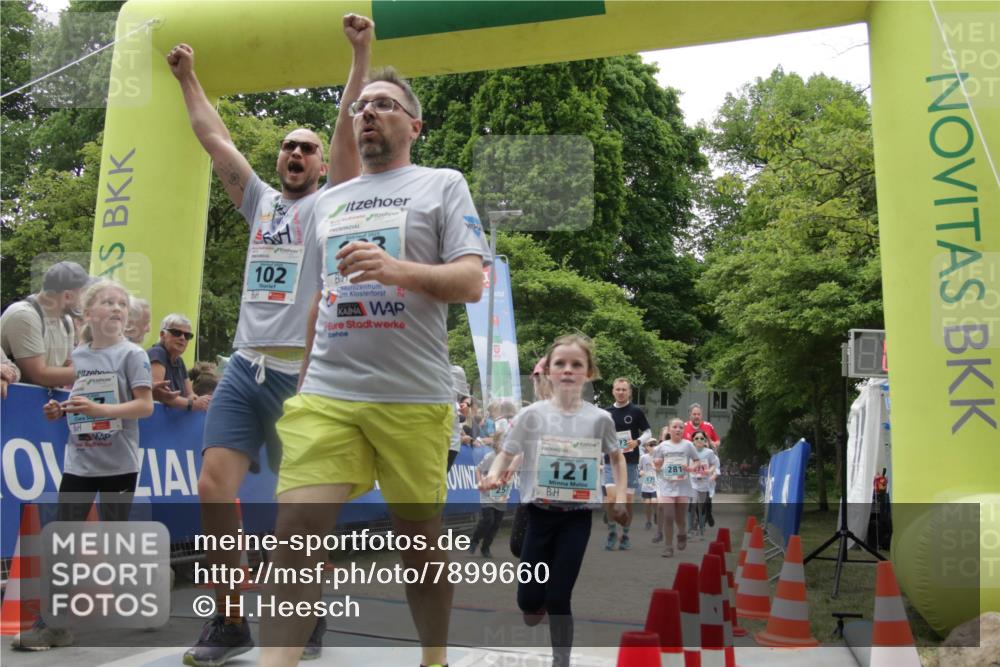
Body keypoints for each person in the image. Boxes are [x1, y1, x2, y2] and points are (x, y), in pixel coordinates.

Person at [262, 62, 489, 667]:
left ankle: (433, 657)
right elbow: (319, 301)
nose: (368, 112)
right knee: (297, 529)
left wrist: (395, 270)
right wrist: (304, 377)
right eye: (361, 105)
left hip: (412, 396)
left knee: (419, 544)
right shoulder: (328, 201)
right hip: (328, 393)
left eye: (384, 104)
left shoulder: (442, 184)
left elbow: (471, 280)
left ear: (414, 124)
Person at [166, 15, 372, 667]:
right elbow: (213, 137)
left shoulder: (331, 203)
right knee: (211, 487)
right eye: (289, 145)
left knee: (303, 513)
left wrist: (359, 55)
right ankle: (230, 621)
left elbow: (345, 127)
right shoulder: (259, 203)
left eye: (307, 148)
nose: (297, 153)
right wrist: (188, 76)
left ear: (321, 164)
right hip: (241, 372)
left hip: (301, 379)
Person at [12, 279, 153, 651]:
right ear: (88, 313)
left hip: (119, 465)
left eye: (122, 303)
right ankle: (52, 625)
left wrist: (102, 411)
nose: (117, 309)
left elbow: (145, 406)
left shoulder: (132, 355)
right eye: (108, 302)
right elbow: (81, 397)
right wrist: (60, 410)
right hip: (79, 463)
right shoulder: (82, 355)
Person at [480, 334, 628, 667]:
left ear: (588, 372)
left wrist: (618, 496)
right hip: (538, 516)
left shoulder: (599, 419)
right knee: (529, 603)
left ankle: (560, 660)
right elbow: (507, 452)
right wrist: (495, 473)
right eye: (559, 363)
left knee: (560, 597)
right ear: (548, 372)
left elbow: (617, 458)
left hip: (576, 519)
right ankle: (535, 604)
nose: (567, 370)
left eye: (576, 364)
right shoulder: (533, 415)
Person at [1, 261, 91, 388]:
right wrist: (93, 371)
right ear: (67, 296)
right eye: (83, 294)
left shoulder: (66, 321)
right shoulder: (23, 315)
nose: (85, 301)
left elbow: (68, 364)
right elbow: (38, 376)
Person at [603, 378, 652, 551]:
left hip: (630, 461)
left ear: (629, 392)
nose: (621, 392)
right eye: (618, 389)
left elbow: (648, 432)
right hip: (610, 461)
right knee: (611, 497)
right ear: (613, 391)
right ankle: (611, 532)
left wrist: (637, 442)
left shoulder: (636, 411)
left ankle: (625, 534)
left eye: (624, 389)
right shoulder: (606, 412)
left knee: (628, 500)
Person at [653, 418, 699, 557]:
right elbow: (656, 464)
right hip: (667, 486)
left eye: (680, 427)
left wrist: (690, 468)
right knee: (668, 516)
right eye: (675, 427)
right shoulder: (662, 446)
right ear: (669, 429)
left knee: (679, 518)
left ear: (683, 430)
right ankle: (668, 547)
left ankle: (682, 533)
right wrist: (658, 464)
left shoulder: (688, 445)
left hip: (683, 487)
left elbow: (696, 461)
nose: (678, 429)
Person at [147, 314, 211, 412]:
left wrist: (202, 401)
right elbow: (156, 393)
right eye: (176, 333)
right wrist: (191, 404)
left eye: (187, 335)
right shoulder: (157, 353)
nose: (182, 338)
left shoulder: (179, 361)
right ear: (162, 335)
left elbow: (189, 393)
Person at [469, 435, 509, 558]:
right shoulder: (491, 457)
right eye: (502, 442)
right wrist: (481, 482)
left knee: (496, 524)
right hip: (487, 494)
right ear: (496, 444)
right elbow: (478, 470)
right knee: (488, 519)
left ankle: (485, 547)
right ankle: (475, 540)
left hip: (501, 494)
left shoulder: (512, 458)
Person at [682, 403, 720, 526]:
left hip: (706, 462)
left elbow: (717, 440)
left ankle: (707, 512)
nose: (696, 416)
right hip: (691, 465)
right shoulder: (684, 426)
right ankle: (695, 520)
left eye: (698, 414)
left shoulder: (708, 426)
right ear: (690, 415)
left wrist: (714, 443)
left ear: (701, 415)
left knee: (707, 494)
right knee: (692, 495)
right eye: (694, 414)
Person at [687, 429, 719, 539]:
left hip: (704, 483)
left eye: (702, 438)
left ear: (705, 441)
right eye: (697, 438)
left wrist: (710, 471)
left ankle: (700, 526)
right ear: (693, 441)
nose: (699, 440)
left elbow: (714, 464)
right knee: (693, 503)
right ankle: (690, 529)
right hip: (692, 482)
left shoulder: (709, 453)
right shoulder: (689, 452)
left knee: (701, 506)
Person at [638, 440, 658, 530]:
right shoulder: (643, 457)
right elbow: (639, 468)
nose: (653, 446)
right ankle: (648, 521)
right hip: (646, 483)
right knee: (647, 503)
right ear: (647, 447)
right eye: (650, 445)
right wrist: (640, 472)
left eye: (654, 445)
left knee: (654, 501)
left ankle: (656, 514)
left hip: (656, 484)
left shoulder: (659, 457)